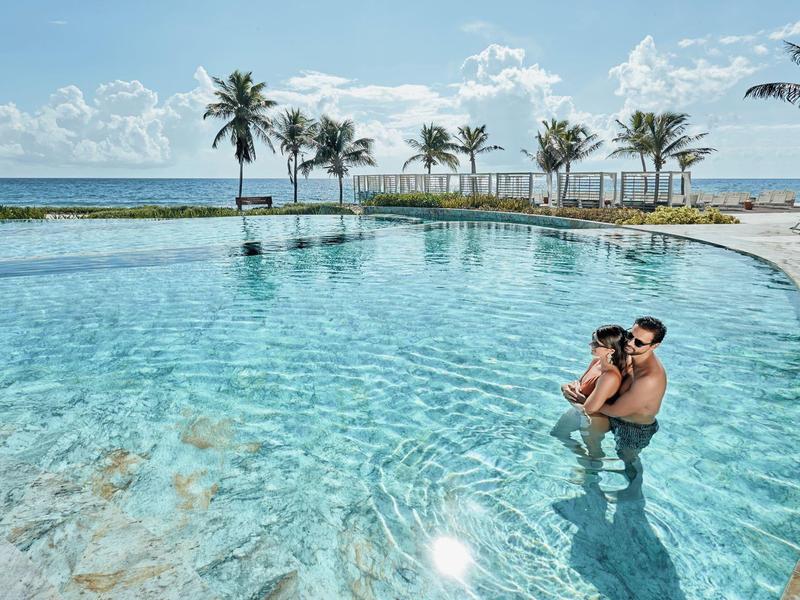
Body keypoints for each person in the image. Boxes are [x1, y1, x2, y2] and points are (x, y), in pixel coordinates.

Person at [563, 316, 668, 484]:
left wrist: (585, 399)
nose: (630, 343)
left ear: (654, 346)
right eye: (629, 335)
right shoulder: (630, 354)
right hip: (610, 411)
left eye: (639, 343)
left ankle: (633, 491)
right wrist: (576, 386)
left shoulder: (648, 378)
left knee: (628, 460)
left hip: (633, 428)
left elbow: (615, 410)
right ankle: (592, 467)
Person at [552, 324, 629, 458]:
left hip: (594, 420)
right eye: (592, 340)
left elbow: (589, 408)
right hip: (578, 410)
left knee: (594, 453)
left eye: (596, 343)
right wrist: (566, 387)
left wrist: (569, 394)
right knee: (558, 434)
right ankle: (583, 459)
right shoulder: (596, 362)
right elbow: (578, 384)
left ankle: (591, 475)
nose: (590, 344)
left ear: (610, 351)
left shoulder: (610, 376)